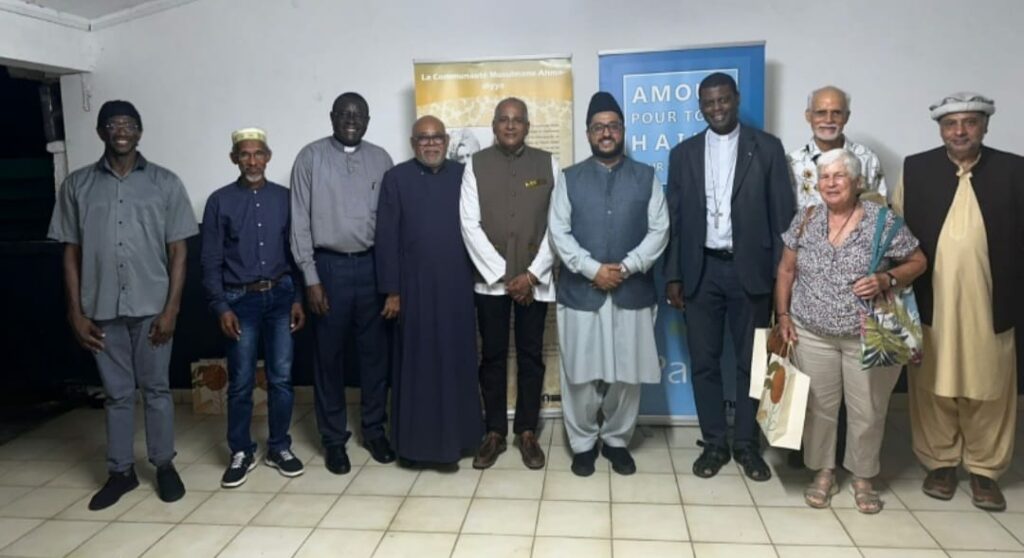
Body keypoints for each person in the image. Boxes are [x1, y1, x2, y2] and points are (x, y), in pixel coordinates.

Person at [48, 100, 195, 510]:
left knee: (157, 389)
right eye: (113, 124)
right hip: (101, 309)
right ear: (101, 132)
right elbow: (70, 253)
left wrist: (172, 309)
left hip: (153, 308)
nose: (122, 130)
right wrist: (75, 312)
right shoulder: (77, 185)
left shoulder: (165, 183)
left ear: (140, 131)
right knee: (116, 394)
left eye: (129, 124)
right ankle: (121, 472)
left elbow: (179, 251)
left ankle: (164, 465)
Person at [775, 149, 926, 513]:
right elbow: (786, 270)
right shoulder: (807, 218)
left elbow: (918, 261)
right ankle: (823, 473)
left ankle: (862, 477)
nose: (831, 183)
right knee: (819, 408)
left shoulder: (883, 222)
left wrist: (887, 278)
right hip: (811, 332)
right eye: (825, 177)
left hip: (868, 335)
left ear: (857, 182)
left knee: (867, 410)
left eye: (839, 176)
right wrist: (783, 315)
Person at [893, 92, 1024, 512]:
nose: (960, 131)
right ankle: (940, 463)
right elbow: (895, 232)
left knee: (990, 385)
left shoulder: (1014, 170)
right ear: (941, 130)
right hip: (933, 301)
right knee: (932, 382)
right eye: (951, 124)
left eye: (970, 122)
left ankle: (985, 470)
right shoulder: (916, 169)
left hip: (992, 302)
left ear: (985, 126)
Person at [664, 72, 795, 482]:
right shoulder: (683, 154)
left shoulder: (767, 148)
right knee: (704, 362)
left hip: (750, 272)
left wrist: (781, 284)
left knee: (752, 363)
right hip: (701, 270)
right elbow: (675, 220)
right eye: (709, 102)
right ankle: (715, 443)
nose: (716, 108)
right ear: (700, 106)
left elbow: (784, 220)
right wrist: (673, 275)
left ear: (736, 99)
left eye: (723, 100)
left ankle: (746, 445)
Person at [548, 92, 668, 477]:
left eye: (613, 126)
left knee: (627, 375)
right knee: (579, 375)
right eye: (598, 127)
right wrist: (592, 270)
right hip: (581, 293)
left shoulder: (646, 177)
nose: (606, 133)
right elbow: (558, 232)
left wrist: (627, 267)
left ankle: (616, 440)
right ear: (588, 133)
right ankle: (583, 443)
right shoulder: (569, 179)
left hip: (632, 293)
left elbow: (660, 230)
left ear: (623, 131)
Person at [290, 92, 395, 474]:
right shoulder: (310, 157)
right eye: (345, 114)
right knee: (328, 359)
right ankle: (334, 439)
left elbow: (391, 222)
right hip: (328, 269)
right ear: (332, 117)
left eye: (359, 114)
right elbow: (299, 222)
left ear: (367, 120)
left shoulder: (381, 159)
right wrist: (311, 278)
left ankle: (374, 430)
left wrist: (391, 280)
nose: (352, 120)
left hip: (372, 268)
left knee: (375, 357)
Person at [200, 128, 307, 488]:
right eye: (244, 154)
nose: (252, 161)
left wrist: (297, 298)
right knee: (241, 382)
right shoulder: (219, 201)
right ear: (234, 158)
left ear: (268, 157)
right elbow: (210, 260)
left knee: (281, 379)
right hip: (239, 301)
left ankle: (279, 447)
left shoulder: (285, 199)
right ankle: (241, 451)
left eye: (258, 153)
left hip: (281, 297)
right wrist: (220, 307)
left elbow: (296, 253)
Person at [375, 116, 483, 470]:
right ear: (413, 143)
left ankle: (461, 439)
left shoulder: (464, 175)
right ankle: (416, 446)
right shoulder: (396, 179)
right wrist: (392, 291)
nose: (431, 143)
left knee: (456, 361)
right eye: (423, 138)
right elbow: (386, 238)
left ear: (447, 141)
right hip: (414, 289)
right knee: (418, 366)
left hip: (457, 286)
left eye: (437, 137)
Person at [460, 98, 558, 470]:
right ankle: (495, 432)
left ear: (528, 126)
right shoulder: (475, 165)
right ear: (494, 125)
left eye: (518, 120)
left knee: (531, 356)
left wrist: (531, 275)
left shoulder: (549, 163)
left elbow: (558, 224)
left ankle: (527, 431)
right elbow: (469, 224)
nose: (511, 125)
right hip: (492, 283)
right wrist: (504, 275)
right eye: (504, 119)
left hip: (535, 280)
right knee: (493, 356)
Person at [788, 86, 887, 209]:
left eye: (836, 113)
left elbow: (881, 211)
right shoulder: (790, 163)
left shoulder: (868, 159)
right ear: (808, 116)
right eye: (821, 113)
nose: (829, 120)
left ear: (846, 117)